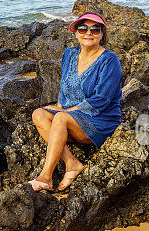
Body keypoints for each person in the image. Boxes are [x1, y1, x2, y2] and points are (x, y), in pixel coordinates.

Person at [28, 13, 123, 192]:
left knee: (61, 119)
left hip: (101, 119)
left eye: (95, 29)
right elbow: (65, 86)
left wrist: (65, 112)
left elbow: (102, 100)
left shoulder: (110, 61)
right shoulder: (69, 54)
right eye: (83, 28)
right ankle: (71, 163)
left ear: (102, 34)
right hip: (71, 116)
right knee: (39, 114)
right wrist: (59, 106)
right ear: (76, 33)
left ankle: (45, 177)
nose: (89, 33)